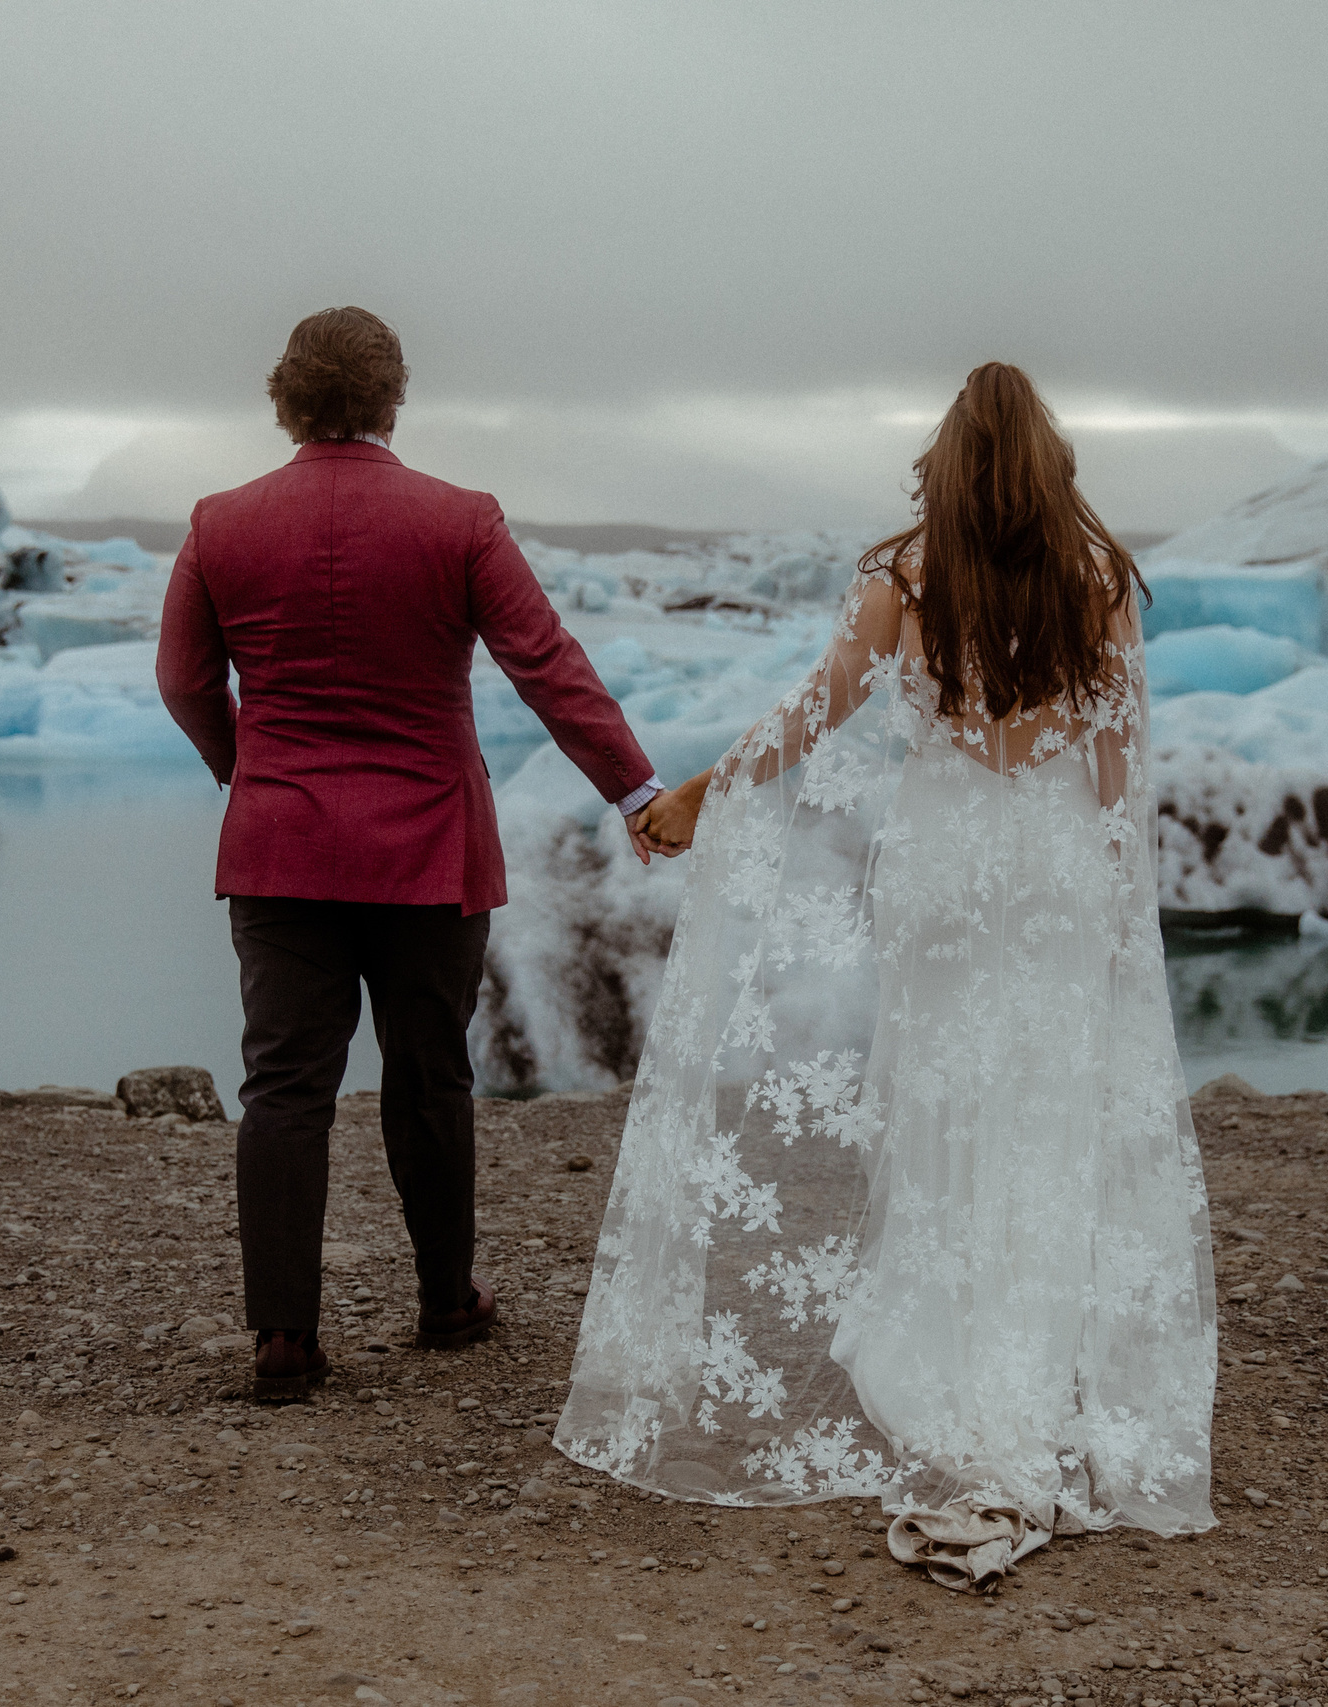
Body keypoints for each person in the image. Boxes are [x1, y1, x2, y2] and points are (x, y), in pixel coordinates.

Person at [553, 363, 1215, 1589]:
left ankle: (944, 1356)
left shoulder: (906, 577)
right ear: (1050, 463)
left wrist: (706, 789)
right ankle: (1029, 1361)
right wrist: (1121, 910)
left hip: (947, 872)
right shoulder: (1100, 579)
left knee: (941, 1105)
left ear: (948, 463)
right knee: (1041, 1117)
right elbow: (1121, 765)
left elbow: (816, 713)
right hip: (1057, 870)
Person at [157, 306, 671, 1402]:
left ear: (285, 398)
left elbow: (185, 681)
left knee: (284, 1087)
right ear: (394, 398)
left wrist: (241, 765)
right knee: (430, 1073)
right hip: (428, 846)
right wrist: (634, 786)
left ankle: (284, 1338)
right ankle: (445, 1300)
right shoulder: (460, 520)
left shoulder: (219, 524)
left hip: (282, 838)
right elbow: (546, 665)